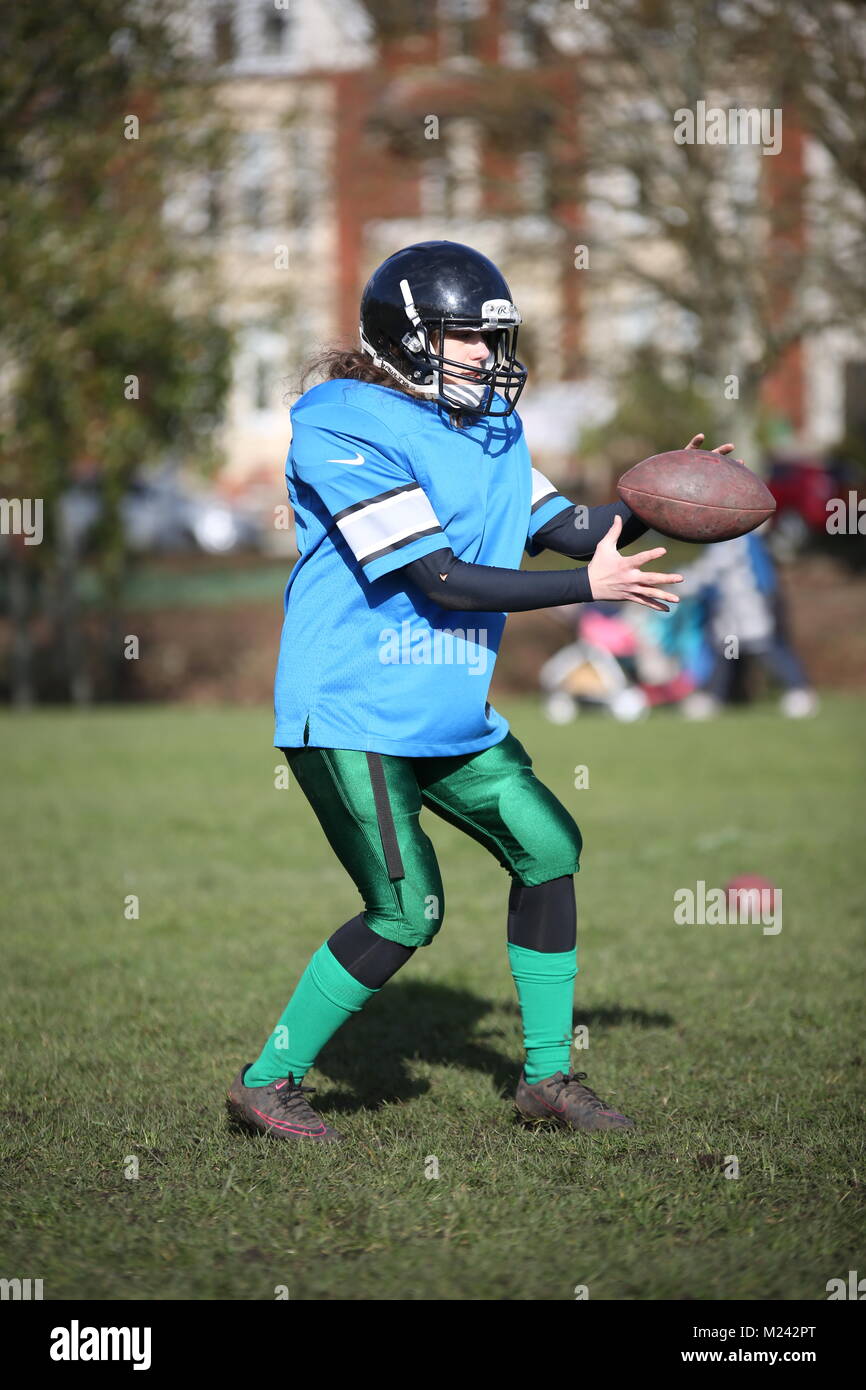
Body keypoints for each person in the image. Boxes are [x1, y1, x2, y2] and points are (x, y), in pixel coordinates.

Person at [225, 239, 736, 1142]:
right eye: (468, 338)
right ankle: (269, 1080)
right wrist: (591, 590)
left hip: (449, 706)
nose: (488, 358)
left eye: (495, 339)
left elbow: (569, 528)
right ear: (409, 337)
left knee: (547, 844)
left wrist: (661, 495)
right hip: (356, 707)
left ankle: (547, 1081)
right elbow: (442, 580)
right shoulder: (343, 424)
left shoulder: (489, 428)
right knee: (407, 908)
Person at [678, 523, 819, 719]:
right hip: (730, 613)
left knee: (768, 648)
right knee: (728, 653)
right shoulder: (725, 541)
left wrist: (681, 582)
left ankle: (799, 691)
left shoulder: (738, 538)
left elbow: (711, 570)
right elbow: (709, 573)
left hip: (751, 608)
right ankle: (715, 696)